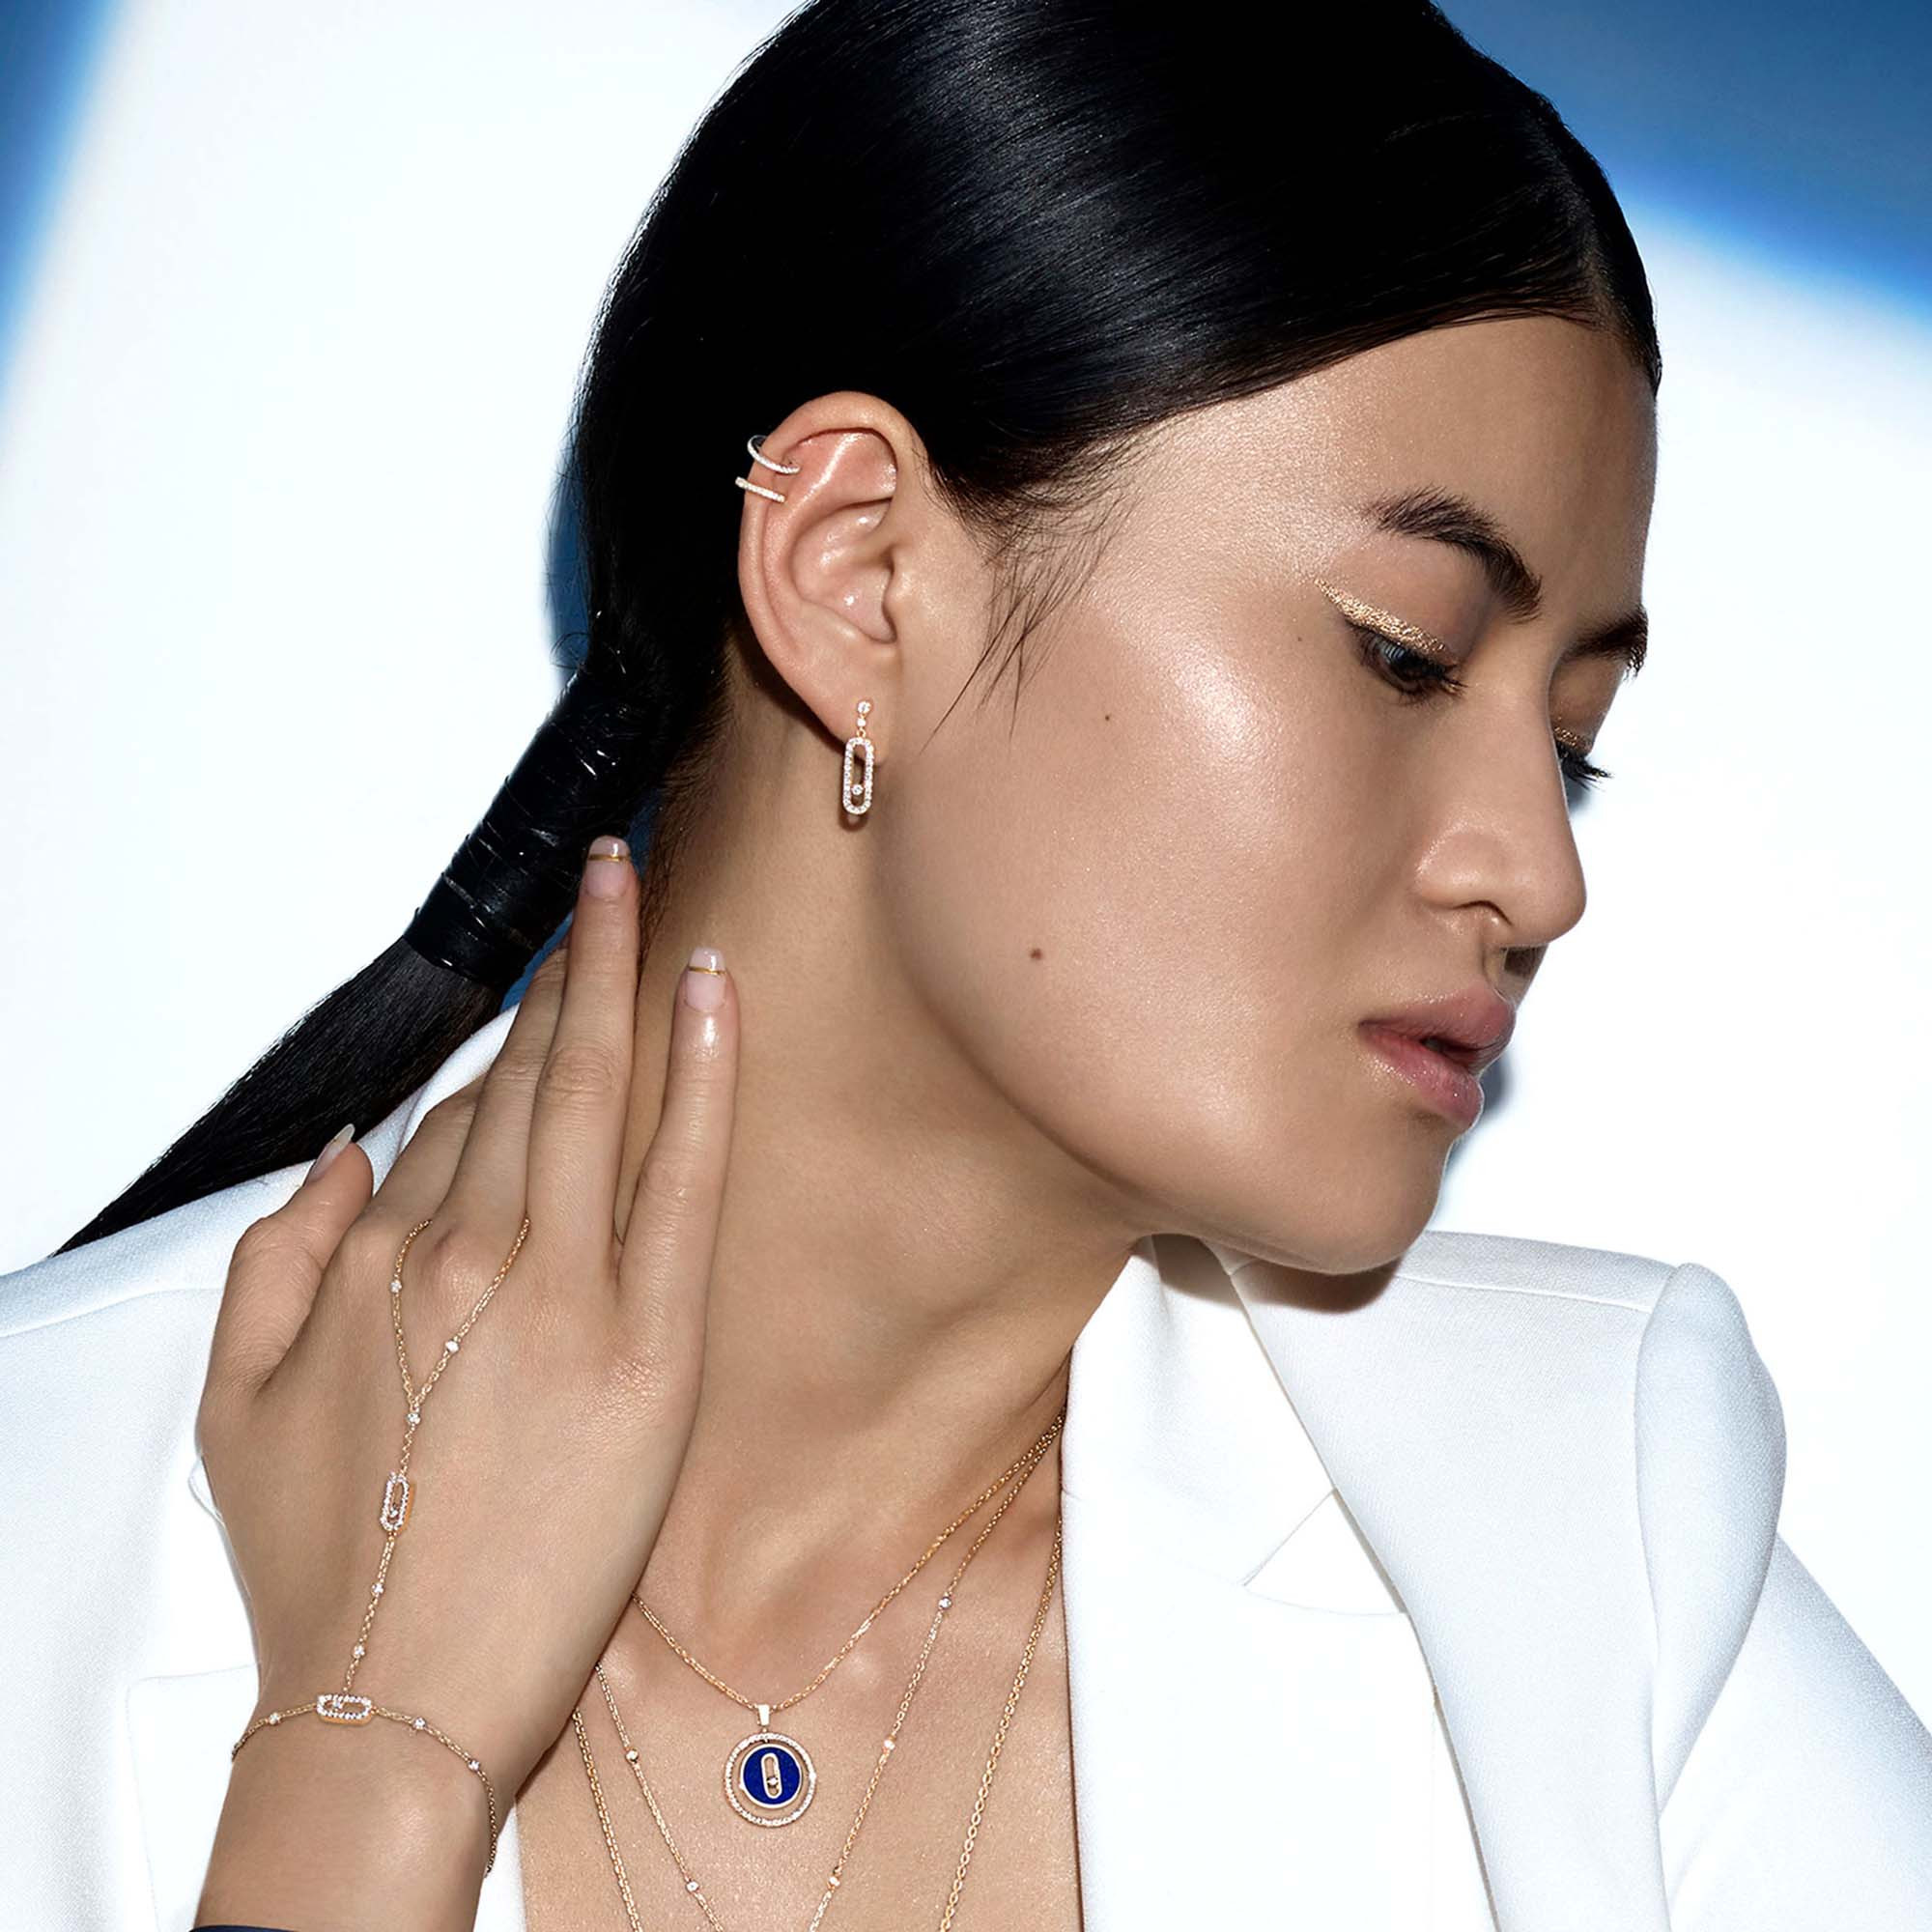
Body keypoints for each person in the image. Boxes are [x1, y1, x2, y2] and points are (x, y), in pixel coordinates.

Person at [3, 0, 1928, 1926]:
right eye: (1405, 656)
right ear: (857, 572)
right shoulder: (48, 1521)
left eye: (1571, 744)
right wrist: (364, 1768)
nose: (1537, 873)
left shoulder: (1591, 1552)